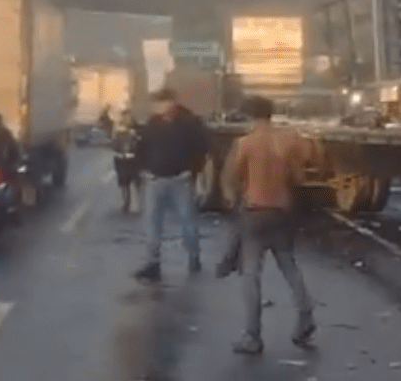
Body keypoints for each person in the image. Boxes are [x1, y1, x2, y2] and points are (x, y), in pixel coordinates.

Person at [220, 95, 315, 355]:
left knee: (250, 275)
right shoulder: (289, 138)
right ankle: (306, 314)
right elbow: (302, 169)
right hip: (283, 211)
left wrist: (235, 197)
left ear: (250, 116)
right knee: (289, 265)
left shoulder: (245, 143)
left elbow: (230, 180)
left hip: (255, 213)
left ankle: (252, 336)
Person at [133, 88, 209, 282]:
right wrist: (144, 169)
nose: (157, 107)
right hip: (154, 180)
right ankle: (153, 264)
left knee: (187, 222)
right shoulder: (152, 124)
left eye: (160, 102)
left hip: (180, 180)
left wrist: (193, 172)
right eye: (155, 103)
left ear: (172, 102)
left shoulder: (189, 123)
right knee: (151, 223)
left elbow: (202, 149)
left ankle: (194, 258)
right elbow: (141, 147)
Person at [111, 109, 143, 214]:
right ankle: (126, 204)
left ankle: (140, 205)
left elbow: (140, 142)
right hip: (122, 160)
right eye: (125, 115)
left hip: (134, 160)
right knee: (124, 183)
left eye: (128, 115)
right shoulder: (119, 127)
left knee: (137, 183)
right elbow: (114, 143)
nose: (126, 118)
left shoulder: (136, 127)